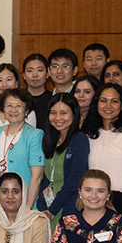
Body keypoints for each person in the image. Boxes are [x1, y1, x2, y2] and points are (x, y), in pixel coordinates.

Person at [83, 83, 122, 215]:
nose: (108, 106)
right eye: (103, 101)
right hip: (94, 201)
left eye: (114, 101)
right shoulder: (89, 133)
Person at [0, 89, 44, 215]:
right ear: (3, 110)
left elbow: (37, 177)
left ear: (26, 110)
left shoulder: (34, 135)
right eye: (9, 106)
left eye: (18, 106)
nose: (13, 110)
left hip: (21, 204)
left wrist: (27, 209)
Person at [37, 94, 89, 228]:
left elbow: (75, 178)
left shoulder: (79, 139)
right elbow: (44, 177)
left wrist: (53, 208)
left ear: (74, 114)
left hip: (68, 206)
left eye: (63, 113)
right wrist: (42, 205)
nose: (58, 118)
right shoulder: (50, 139)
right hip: (49, 207)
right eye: (53, 113)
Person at [23, 53, 52, 120]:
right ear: (24, 75)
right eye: (30, 71)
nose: (35, 75)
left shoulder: (53, 99)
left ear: (48, 73)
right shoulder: (18, 99)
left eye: (40, 70)